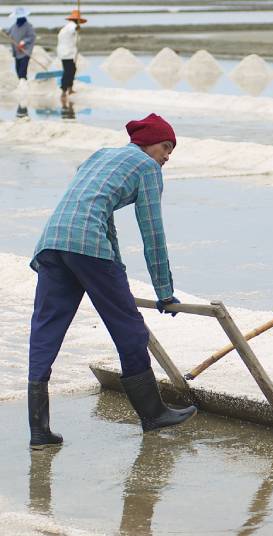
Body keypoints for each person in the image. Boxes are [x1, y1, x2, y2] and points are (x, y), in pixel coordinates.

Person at [28, 113, 196, 449]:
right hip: (87, 246)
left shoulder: (101, 155)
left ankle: (39, 431)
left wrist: (114, 266)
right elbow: (152, 233)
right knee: (129, 327)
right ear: (149, 143)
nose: (167, 157)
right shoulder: (147, 169)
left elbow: (93, 210)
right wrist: (164, 292)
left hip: (51, 243)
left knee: (46, 330)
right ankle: (153, 414)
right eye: (166, 147)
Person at [57, 9, 85, 99]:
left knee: (71, 69)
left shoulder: (65, 28)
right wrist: (76, 28)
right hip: (66, 53)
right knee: (69, 71)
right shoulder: (71, 25)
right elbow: (72, 29)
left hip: (65, 52)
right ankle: (64, 90)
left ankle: (69, 88)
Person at [6, 7, 36, 89]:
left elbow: (32, 37)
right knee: (17, 69)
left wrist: (23, 42)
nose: (19, 19)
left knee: (22, 70)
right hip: (16, 52)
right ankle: (22, 83)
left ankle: (24, 85)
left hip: (25, 52)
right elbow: (8, 33)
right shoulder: (14, 25)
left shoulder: (29, 26)